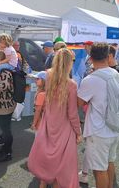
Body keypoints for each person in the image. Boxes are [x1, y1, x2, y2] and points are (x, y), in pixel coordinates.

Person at [28, 48, 82, 188]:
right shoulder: (71, 84)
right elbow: (72, 113)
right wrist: (78, 132)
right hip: (63, 129)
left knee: (46, 167)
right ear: (70, 63)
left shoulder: (48, 75)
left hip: (47, 124)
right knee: (61, 169)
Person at [77, 43, 119, 188]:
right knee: (109, 163)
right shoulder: (115, 73)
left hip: (99, 132)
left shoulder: (91, 79)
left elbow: (79, 102)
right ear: (108, 56)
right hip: (114, 127)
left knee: (99, 170)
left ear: (90, 57)